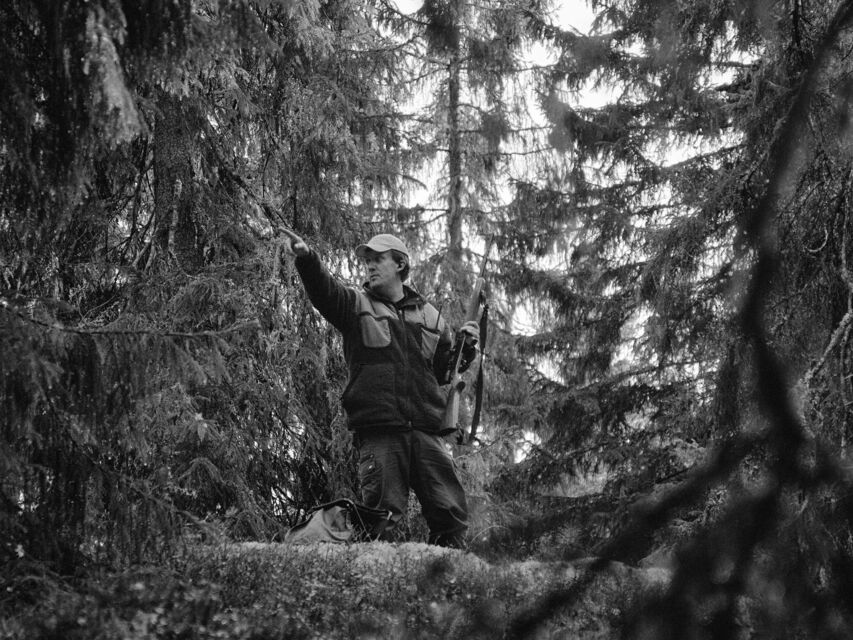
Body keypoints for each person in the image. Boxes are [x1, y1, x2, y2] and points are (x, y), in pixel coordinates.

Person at [280, 229, 479, 547]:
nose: (369, 266)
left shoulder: (431, 317)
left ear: (400, 264)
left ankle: (449, 574)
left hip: (426, 431)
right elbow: (324, 292)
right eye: (367, 261)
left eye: (377, 259)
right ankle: (371, 576)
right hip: (380, 431)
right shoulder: (355, 304)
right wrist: (308, 259)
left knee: (451, 516)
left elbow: (443, 372)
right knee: (379, 521)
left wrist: (465, 349)